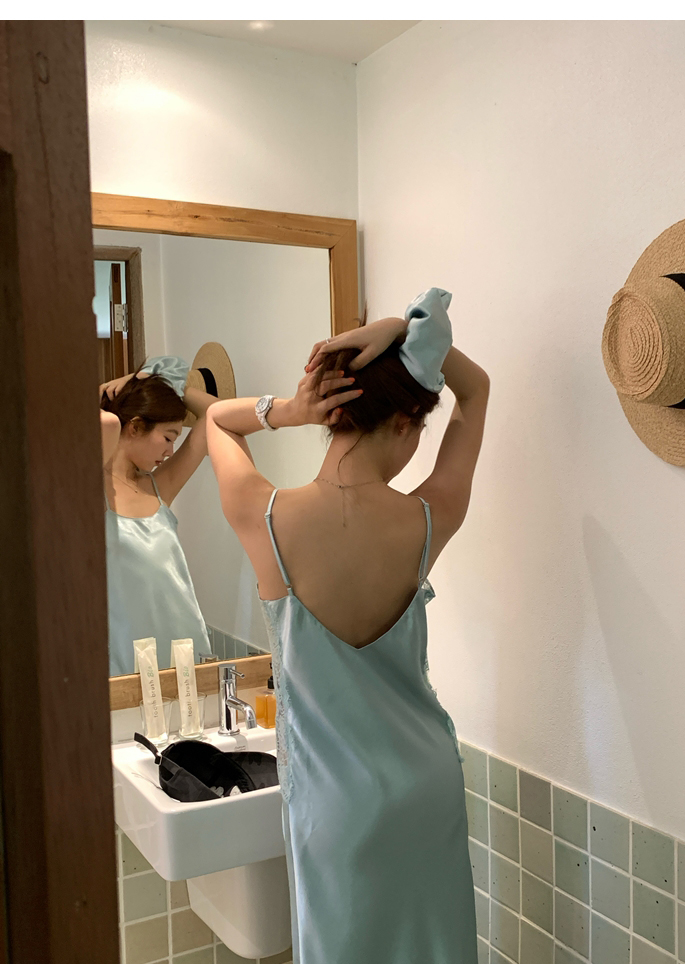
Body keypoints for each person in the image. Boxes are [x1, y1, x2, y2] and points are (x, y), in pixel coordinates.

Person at [206, 289, 489, 964]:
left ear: (334, 415)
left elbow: (216, 419)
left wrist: (290, 410)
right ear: (405, 421)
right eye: (417, 431)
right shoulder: (428, 518)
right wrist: (397, 330)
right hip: (425, 790)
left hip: (334, 810)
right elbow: (476, 391)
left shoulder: (263, 517)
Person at [101, 359, 215, 675]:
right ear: (135, 427)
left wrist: (157, 379)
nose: (170, 451)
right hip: (124, 657)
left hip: (184, 649)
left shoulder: (160, 485)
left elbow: (215, 414)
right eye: (168, 437)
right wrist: (121, 388)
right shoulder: (90, 488)